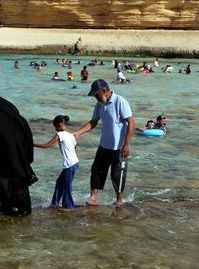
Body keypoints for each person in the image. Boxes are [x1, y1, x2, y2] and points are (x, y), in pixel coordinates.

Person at [73, 79, 135, 207]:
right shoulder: (99, 104)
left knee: (117, 173)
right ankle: (94, 196)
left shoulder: (120, 101)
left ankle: (119, 199)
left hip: (119, 147)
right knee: (96, 170)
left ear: (104, 91)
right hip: (104, 145)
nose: (95, 97)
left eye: (96, 94)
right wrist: (78, 133)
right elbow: (93, 122)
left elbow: (131, 122)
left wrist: (127, 144)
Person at [0, 95, 37, 216]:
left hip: (2, 160)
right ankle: (17, 208)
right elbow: (28, 140)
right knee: (15, 183)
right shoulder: (18, 119)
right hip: (18, 160)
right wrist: (25, 158)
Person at [34, 115, 80, 209]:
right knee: (60, 182)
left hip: (69, 165)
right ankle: (54, 204)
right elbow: (74, 148)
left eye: (55, 126)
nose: (55, 129)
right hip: (75, 163)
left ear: (58, 126)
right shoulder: (71, 135)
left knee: (67, 187)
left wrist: (32, 144)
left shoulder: (59, 135)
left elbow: (47, 145)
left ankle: (69, 207)